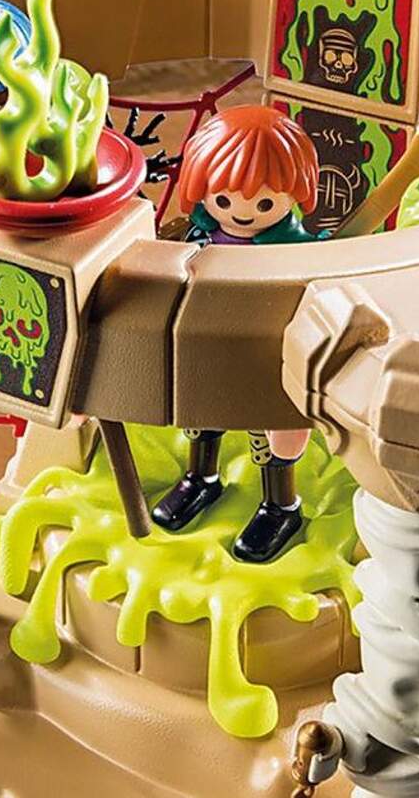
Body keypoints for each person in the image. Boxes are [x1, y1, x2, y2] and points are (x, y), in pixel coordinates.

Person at [153, 105, 326, 563]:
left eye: (264, 203)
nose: (243, 214)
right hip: (210, 340)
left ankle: (280, 505)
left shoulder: (296, 252)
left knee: (274, 427)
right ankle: (201, 478)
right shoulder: (198, 234)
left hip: (269, 351)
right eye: (225, 201)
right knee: (202, 409)